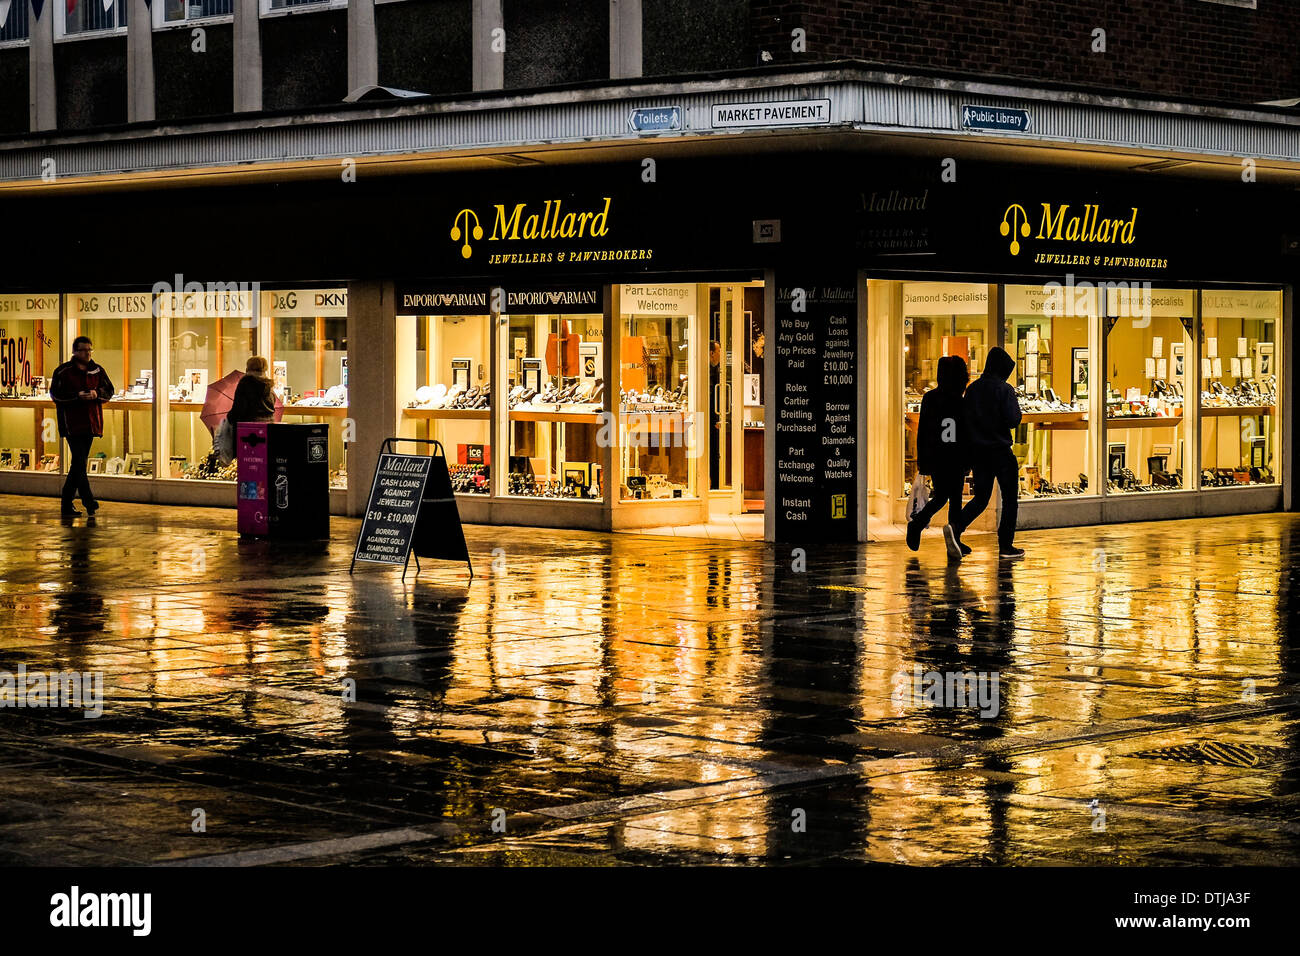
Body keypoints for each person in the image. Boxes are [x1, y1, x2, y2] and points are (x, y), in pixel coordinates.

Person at [945, 346, 1024, 560]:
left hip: (979, 452)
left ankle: (956, 526)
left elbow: (964, 422)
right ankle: (1006, 546)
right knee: (1009, 500)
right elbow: (1014, 419)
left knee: (981, 498)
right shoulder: (1004, 389)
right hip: (1001, 451)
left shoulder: (972, 389)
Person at [907, 355, 971, 554]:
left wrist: (923, 460)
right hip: (956, 456)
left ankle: (919, 525)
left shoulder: (931, 398)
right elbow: (965, 433)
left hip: (937, 456)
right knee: (953, 499)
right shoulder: (960, 401)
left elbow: (924, 431)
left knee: (942, 496)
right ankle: (953, 539)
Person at [49, 336, 114, 517]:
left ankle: (67, 503)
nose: (87, 353)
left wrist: (96, 393)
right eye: (84, 350)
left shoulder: (97, 370)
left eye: (89, 350)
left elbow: (109, 390)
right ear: (75, 352)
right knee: (79, 461)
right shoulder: (63, 372)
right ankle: (88, 500)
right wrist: (77, 396)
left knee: (78, 464)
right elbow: (56, 395)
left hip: (91, 423)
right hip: (72, 424)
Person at [226, 355, 277, 429]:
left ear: (248, 368)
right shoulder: (268, 385)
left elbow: (238, 409)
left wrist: (228, 419)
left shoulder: (245, 383)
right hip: (268, 427)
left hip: (249, 429)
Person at [708, 340, 722, 488]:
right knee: (712, 454)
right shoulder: (708, 372)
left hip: (714, 420)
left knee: (714, 454)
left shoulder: (718, 370)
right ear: (712, 353)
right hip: (710, 420)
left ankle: (716, 485)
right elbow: (711, 399)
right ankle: (715, 485)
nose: (721, 354)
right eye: (719, 351)